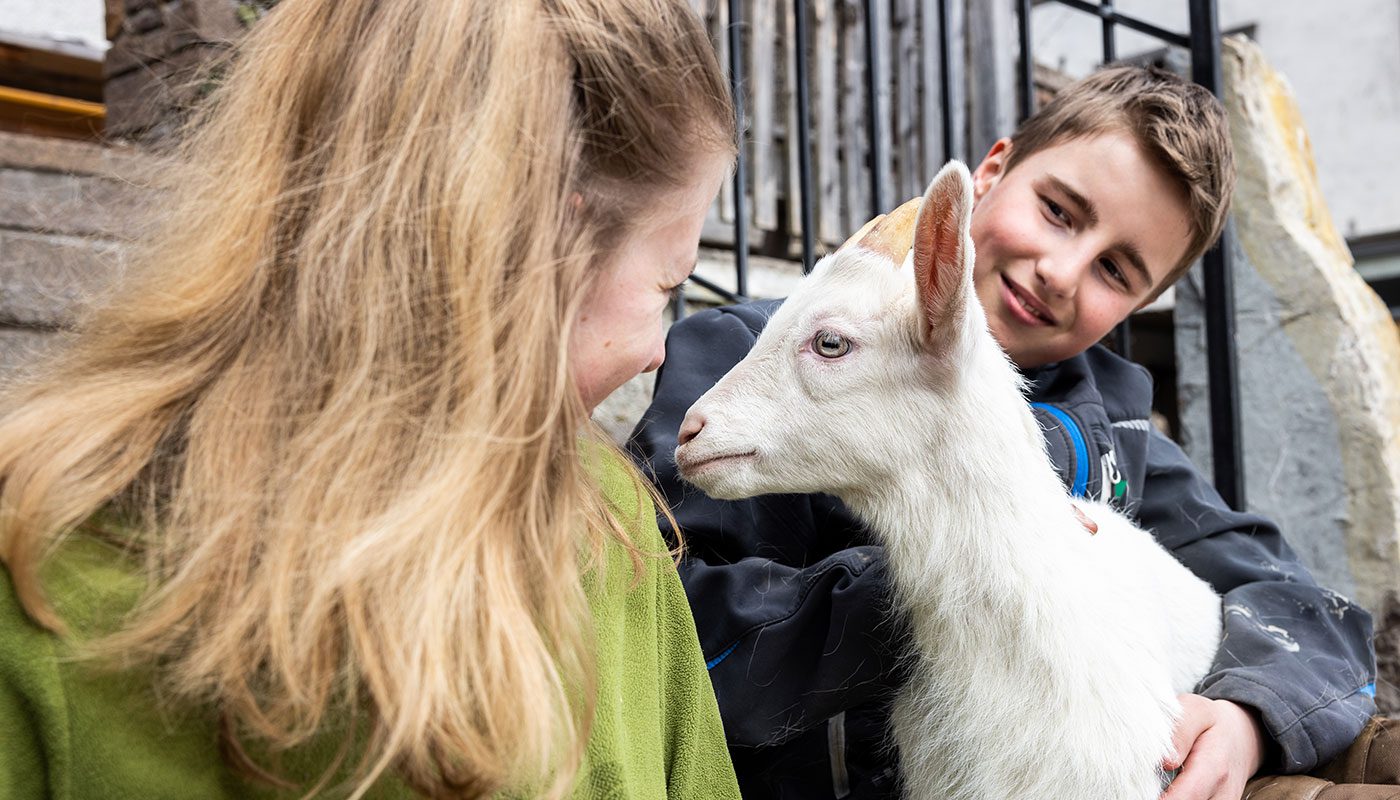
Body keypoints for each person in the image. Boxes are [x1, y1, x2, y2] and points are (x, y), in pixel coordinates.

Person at [0, 0, 742, 797]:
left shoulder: (46, 552)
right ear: (539, 253)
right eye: (667, 285)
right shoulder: (598, 533)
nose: (660, 352)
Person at [628, 65, 1380, 799]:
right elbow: (652, 630)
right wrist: (973, 561)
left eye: (1116, 270)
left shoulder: (1115, 434)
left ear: (1140, 304)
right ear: (991, 173)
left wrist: (1249, 715)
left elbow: (1302, 606)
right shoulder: (749, 357)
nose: (1062, 269)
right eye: (1059, 210)